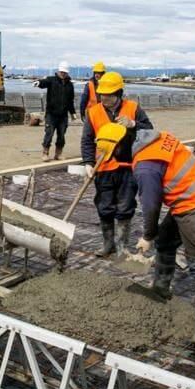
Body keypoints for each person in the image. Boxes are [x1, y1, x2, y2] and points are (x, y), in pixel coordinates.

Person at [98, 123, 195, 345]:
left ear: (120, 145)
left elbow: (151, 206)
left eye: (114, 153)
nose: (116, 158)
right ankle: (161, 289)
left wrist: (147, 236)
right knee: (165, 241)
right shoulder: (150, 138)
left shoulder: (145, 167)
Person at [80, 71, 152, 257]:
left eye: (109, 95)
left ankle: (122, 247)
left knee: (125, 207)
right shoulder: (93, 112)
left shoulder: (133, 108)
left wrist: (134, 124)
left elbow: (150, 132)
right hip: (103, 167)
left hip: (128, 168)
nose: (105, 98)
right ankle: (108, 244)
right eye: (102, 94)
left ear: (119, 93)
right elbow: (87, 140)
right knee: (104, 207)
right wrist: (88, 162)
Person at [35, 62, 76, 161]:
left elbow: (70, 101)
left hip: (63, 115)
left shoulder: (70, 85)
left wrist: (73, 113)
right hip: (51, 114)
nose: (63, 74)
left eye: (65, 72)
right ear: (58, 71)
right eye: (61, 72)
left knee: (61, 135)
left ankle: (58, 154)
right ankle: (45, 153)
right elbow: (44, 82)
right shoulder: (51, 80)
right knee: (49, 133)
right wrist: (39, 83)